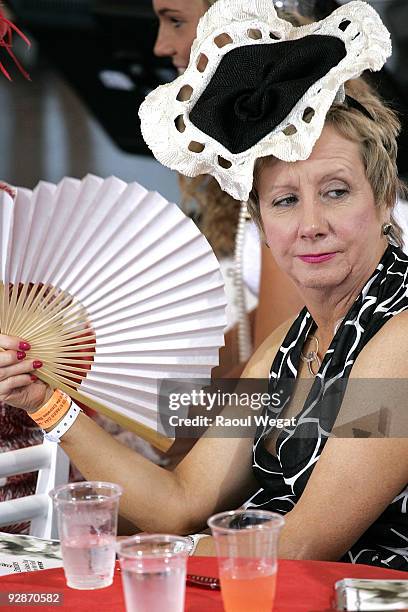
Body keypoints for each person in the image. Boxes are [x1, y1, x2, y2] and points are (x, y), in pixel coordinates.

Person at [2, 0, 408, 569]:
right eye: (286, 201)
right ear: (263, 225)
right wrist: (44, 402)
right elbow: (182, 502)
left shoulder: (401, 340)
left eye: (336, 191)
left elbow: (303, 546)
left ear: (385, 198)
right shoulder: (289, 347)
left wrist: (144, 556)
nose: (311, 224)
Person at [153, 0, 305, 375]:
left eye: (175, 21)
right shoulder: (258, 152)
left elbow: (276, 379)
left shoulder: (295, 167)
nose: (160, 46)